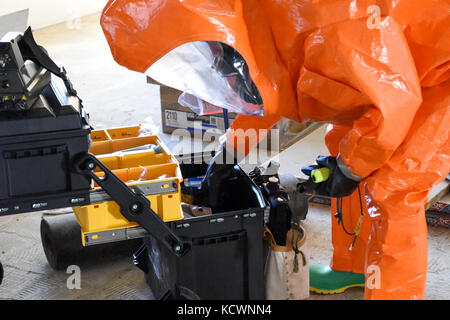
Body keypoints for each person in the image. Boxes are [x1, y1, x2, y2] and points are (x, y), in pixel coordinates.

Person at [100, 0, 450, 299]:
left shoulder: (337, 30)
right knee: (345, 144)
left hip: (438, 77)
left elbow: (395, 102)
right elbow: (274, 89)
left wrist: (352, 168)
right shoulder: (266, 23)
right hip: (396, 69)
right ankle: (357, 268)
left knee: (392, 189)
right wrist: (224, 160)